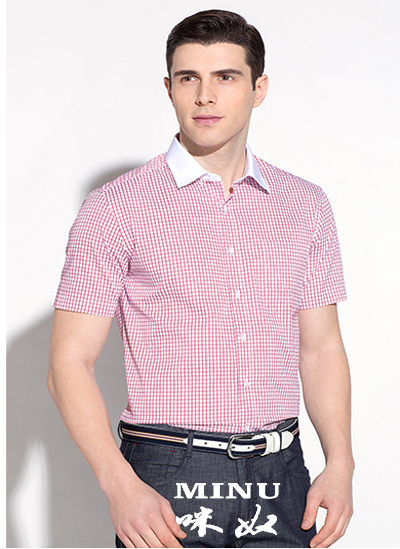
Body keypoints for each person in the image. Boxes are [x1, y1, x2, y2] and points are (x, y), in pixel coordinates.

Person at [48, 9, 354, 549]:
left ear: (259, 89)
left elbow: (321, 347)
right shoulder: (116, 207)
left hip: (281, 472)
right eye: (188, 78)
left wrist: (341, 460)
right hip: (166, 471)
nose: (205, 96)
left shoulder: (305, 205)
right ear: (169, 89)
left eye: (225, 77)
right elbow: (68, 362)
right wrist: (120, 484)